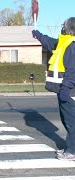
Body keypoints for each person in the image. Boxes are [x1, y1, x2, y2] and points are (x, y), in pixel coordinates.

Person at [32, 17, 75, 160]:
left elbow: (72, 70)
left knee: (71, 121)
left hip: (69, 91)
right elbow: (49, 42)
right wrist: (38, 35)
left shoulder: (72, 45)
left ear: (70, 28)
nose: (62, 27)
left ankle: (72, 151)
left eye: (64, 25)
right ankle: (70, 147)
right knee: (67, 120)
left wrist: (66, 88)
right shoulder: (63, 43)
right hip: (63, 90)